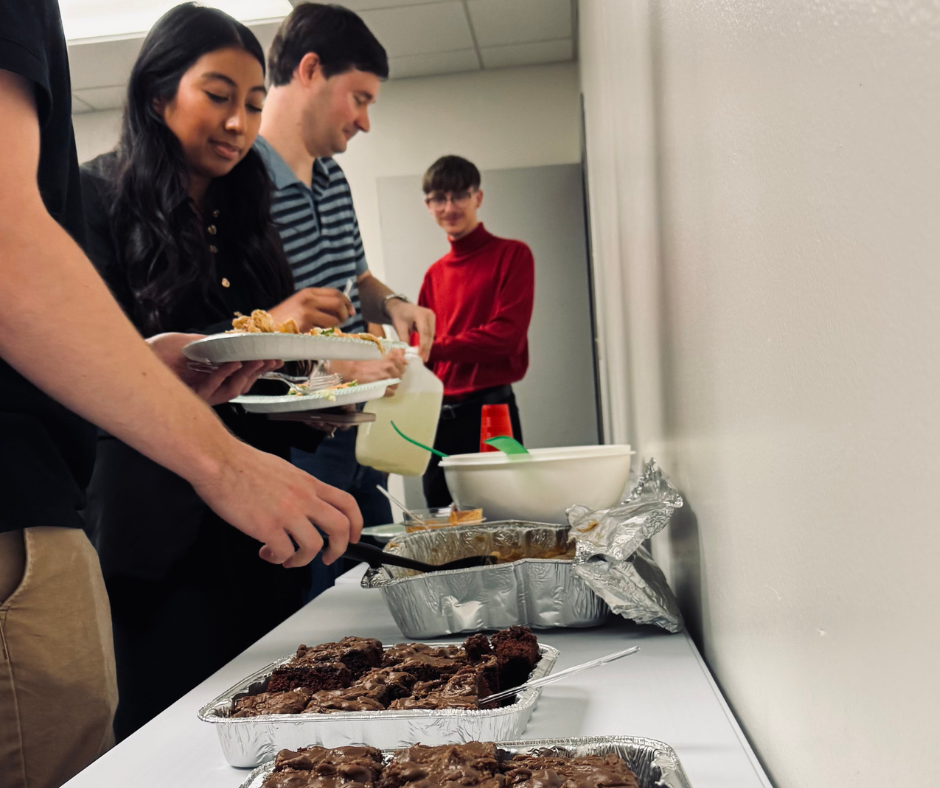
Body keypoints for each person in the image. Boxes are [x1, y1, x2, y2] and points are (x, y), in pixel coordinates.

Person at [0, 0, 362, 784]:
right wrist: (223, 457)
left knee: (280, 734)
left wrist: (321, 395)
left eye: (254, 103)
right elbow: (73, 351)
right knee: (168, 742)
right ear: (159, 95)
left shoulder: (247, 218)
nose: (239, 122)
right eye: (218, 95)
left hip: (257, 529)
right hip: (152, 529)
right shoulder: (95, 199)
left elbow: (245, 382)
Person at [255, 3, 436, 591]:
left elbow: (356, 277)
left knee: (384, 593)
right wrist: (332, 363)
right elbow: (243, 332)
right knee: (317, 621)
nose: (364, 122)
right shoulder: (242, 186)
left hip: (362, 431)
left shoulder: (333, 180)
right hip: (299, 445)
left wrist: (395, 304)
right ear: (309, 70)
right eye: (358, 98)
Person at [418, 156, 535, 507]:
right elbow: (419, 350)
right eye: (439, 198)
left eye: (459, 196)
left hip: (492, 413)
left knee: (504, 517)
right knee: (441, 525)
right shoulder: (433, 275)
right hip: (437, 417)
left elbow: (506, 337)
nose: (449, 207)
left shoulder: (513, 255)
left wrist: (434, 349)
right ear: (428, 205)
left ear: (478, 197)